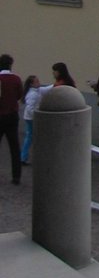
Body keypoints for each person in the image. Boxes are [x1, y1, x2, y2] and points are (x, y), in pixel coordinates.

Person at [0, 54, 24, 184]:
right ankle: (16, 176)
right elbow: (19, 94)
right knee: (14, 146)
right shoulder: (16, 79)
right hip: (12, 115)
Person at [19, 75, 51, 165]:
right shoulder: (33, 94)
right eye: (36, 82)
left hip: (30, 118)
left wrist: (55, 85)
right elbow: (30, 108)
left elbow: (46, 89)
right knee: (32, 136)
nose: (39, 83)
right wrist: (36, 116)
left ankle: (24, 157)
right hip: (32, 118)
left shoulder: (37, 91)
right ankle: (24, 157)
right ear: (31, 84)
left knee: (30, 136)